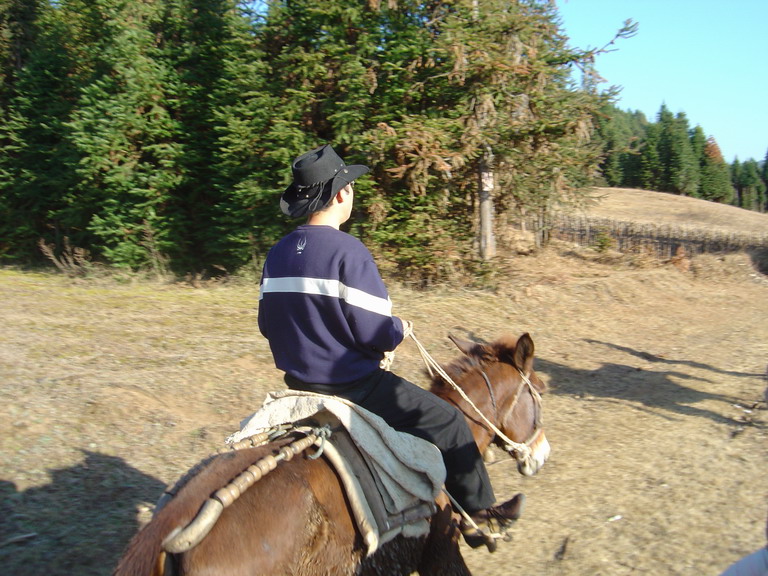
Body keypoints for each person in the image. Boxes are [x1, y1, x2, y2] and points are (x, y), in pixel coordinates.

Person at [257, 143, 523, 551]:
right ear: (341, 194)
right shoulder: (349, 252)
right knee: (451, 424)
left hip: (296, 385)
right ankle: (479, 518)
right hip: (354, 386)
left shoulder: (276, 255)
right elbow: (375, 333)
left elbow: (266, 325)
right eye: (350, 187)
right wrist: (399, 328)